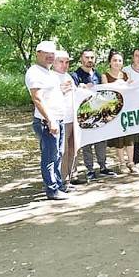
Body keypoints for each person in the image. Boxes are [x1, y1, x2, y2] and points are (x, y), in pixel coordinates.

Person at [26, 41, 71, 200]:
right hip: (47, 122)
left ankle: (58, 186)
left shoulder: (49, 73)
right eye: (46, 53)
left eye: (52, 54)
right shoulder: (34, 72)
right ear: (37, 53)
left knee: (58, 154)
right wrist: (50, 120)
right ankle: (52, 190)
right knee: (50, 156)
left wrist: (62, 91)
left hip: (58, 120)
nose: (50, 56)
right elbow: (37, 99)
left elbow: (51, 95)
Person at [72, 49, 117, 180]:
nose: (89, 60)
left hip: (100, 114)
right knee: (87, 143)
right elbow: (73, 93)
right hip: (84, 116)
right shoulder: (75, 75)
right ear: (81, 59)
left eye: (92, 57)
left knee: (101, 141)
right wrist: (81, 88)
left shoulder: (97, 74)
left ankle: (103, 167)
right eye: (87, 57)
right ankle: (89, 169)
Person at [101, 52, 139, 173]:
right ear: (110, 62)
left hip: (127, 110)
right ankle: (122, 163)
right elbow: (106, 93)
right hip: (114, 111)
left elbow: (132, 91)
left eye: (120, 60)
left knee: (130, 138)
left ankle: (131, 162)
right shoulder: (105, 76)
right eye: (115, 60)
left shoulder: (127, 75)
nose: (117, 63)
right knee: (119, 139)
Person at [53, 50, 81, 185]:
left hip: (73, 118)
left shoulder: (68, 76)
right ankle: (62, 179)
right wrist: (59, 91)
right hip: (60, 119)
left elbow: (76, 94)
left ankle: (71, 176)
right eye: (61, 62)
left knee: (73, 148)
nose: (64, 65)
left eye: (67, 62)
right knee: (62, 151)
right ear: (54, 62)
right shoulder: (51, 77)